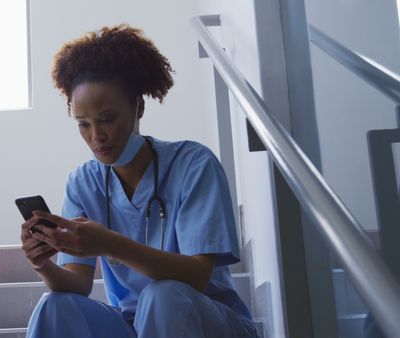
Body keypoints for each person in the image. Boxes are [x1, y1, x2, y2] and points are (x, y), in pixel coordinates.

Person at [20, 24, 258, 338]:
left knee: (162, 296)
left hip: (203, 320)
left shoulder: (193, 165)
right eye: (83, 124)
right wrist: (42, 264)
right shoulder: (83, 183)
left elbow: (198, 275)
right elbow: (77, 282)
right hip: (133, 327)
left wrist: (109, 243)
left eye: (107, 119)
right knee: (54, 306)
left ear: (138, 108)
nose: (96, 136)